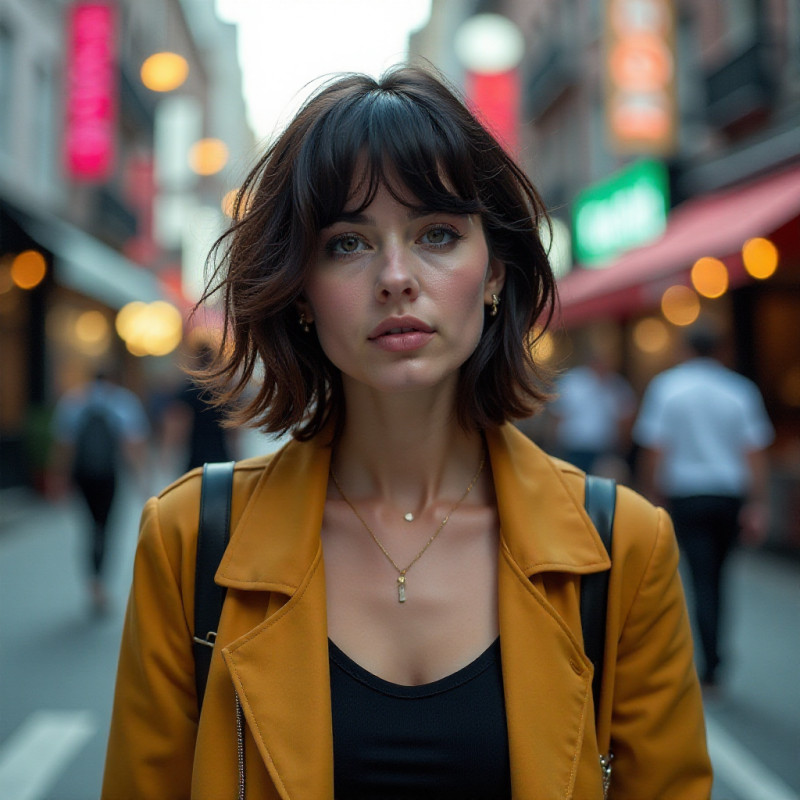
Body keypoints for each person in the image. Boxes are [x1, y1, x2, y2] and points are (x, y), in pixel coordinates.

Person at [103, 66, 711, 799]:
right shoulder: (189, 542)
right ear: (301, 292)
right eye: (347, 244)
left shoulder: (623, 549)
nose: (396, 276)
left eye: (437, 233)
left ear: (494, 273)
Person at [633, 319, 774, 688]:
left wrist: (652, 493)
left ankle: (709, 660)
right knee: (718, 576)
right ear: (720, 350)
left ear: (685, 349)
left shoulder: (667, 388)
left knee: (699, 575)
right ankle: (714, 657)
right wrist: (758, 503)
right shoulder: (740, 391)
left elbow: (654, 448)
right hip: (729, 494)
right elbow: (755, 452)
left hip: (687, 493)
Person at [51, 367, 149, 612]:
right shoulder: (123, 402)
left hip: (82, 476)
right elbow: (132, 444)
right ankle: (99, 584)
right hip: (109, 475)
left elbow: (64, 444)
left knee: (90, 526)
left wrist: (58, 478)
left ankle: (93, 581)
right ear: (112, 379)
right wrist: (141, 479)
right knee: (106, 527)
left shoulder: (73, 401)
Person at [550, 344, 637, 479]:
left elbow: (626, 419)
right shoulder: (573, 382)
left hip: (604, 449)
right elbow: (558, 415)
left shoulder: (618, 385)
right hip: (574, 447)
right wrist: (556, 445)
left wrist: (622, 448)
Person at [162, 342, 238, 472]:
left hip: (196, 460)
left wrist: (167, 454)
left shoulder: (188, 390)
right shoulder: (222, 391)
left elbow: (177, 428)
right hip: (222, 457)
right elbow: (234, 430)